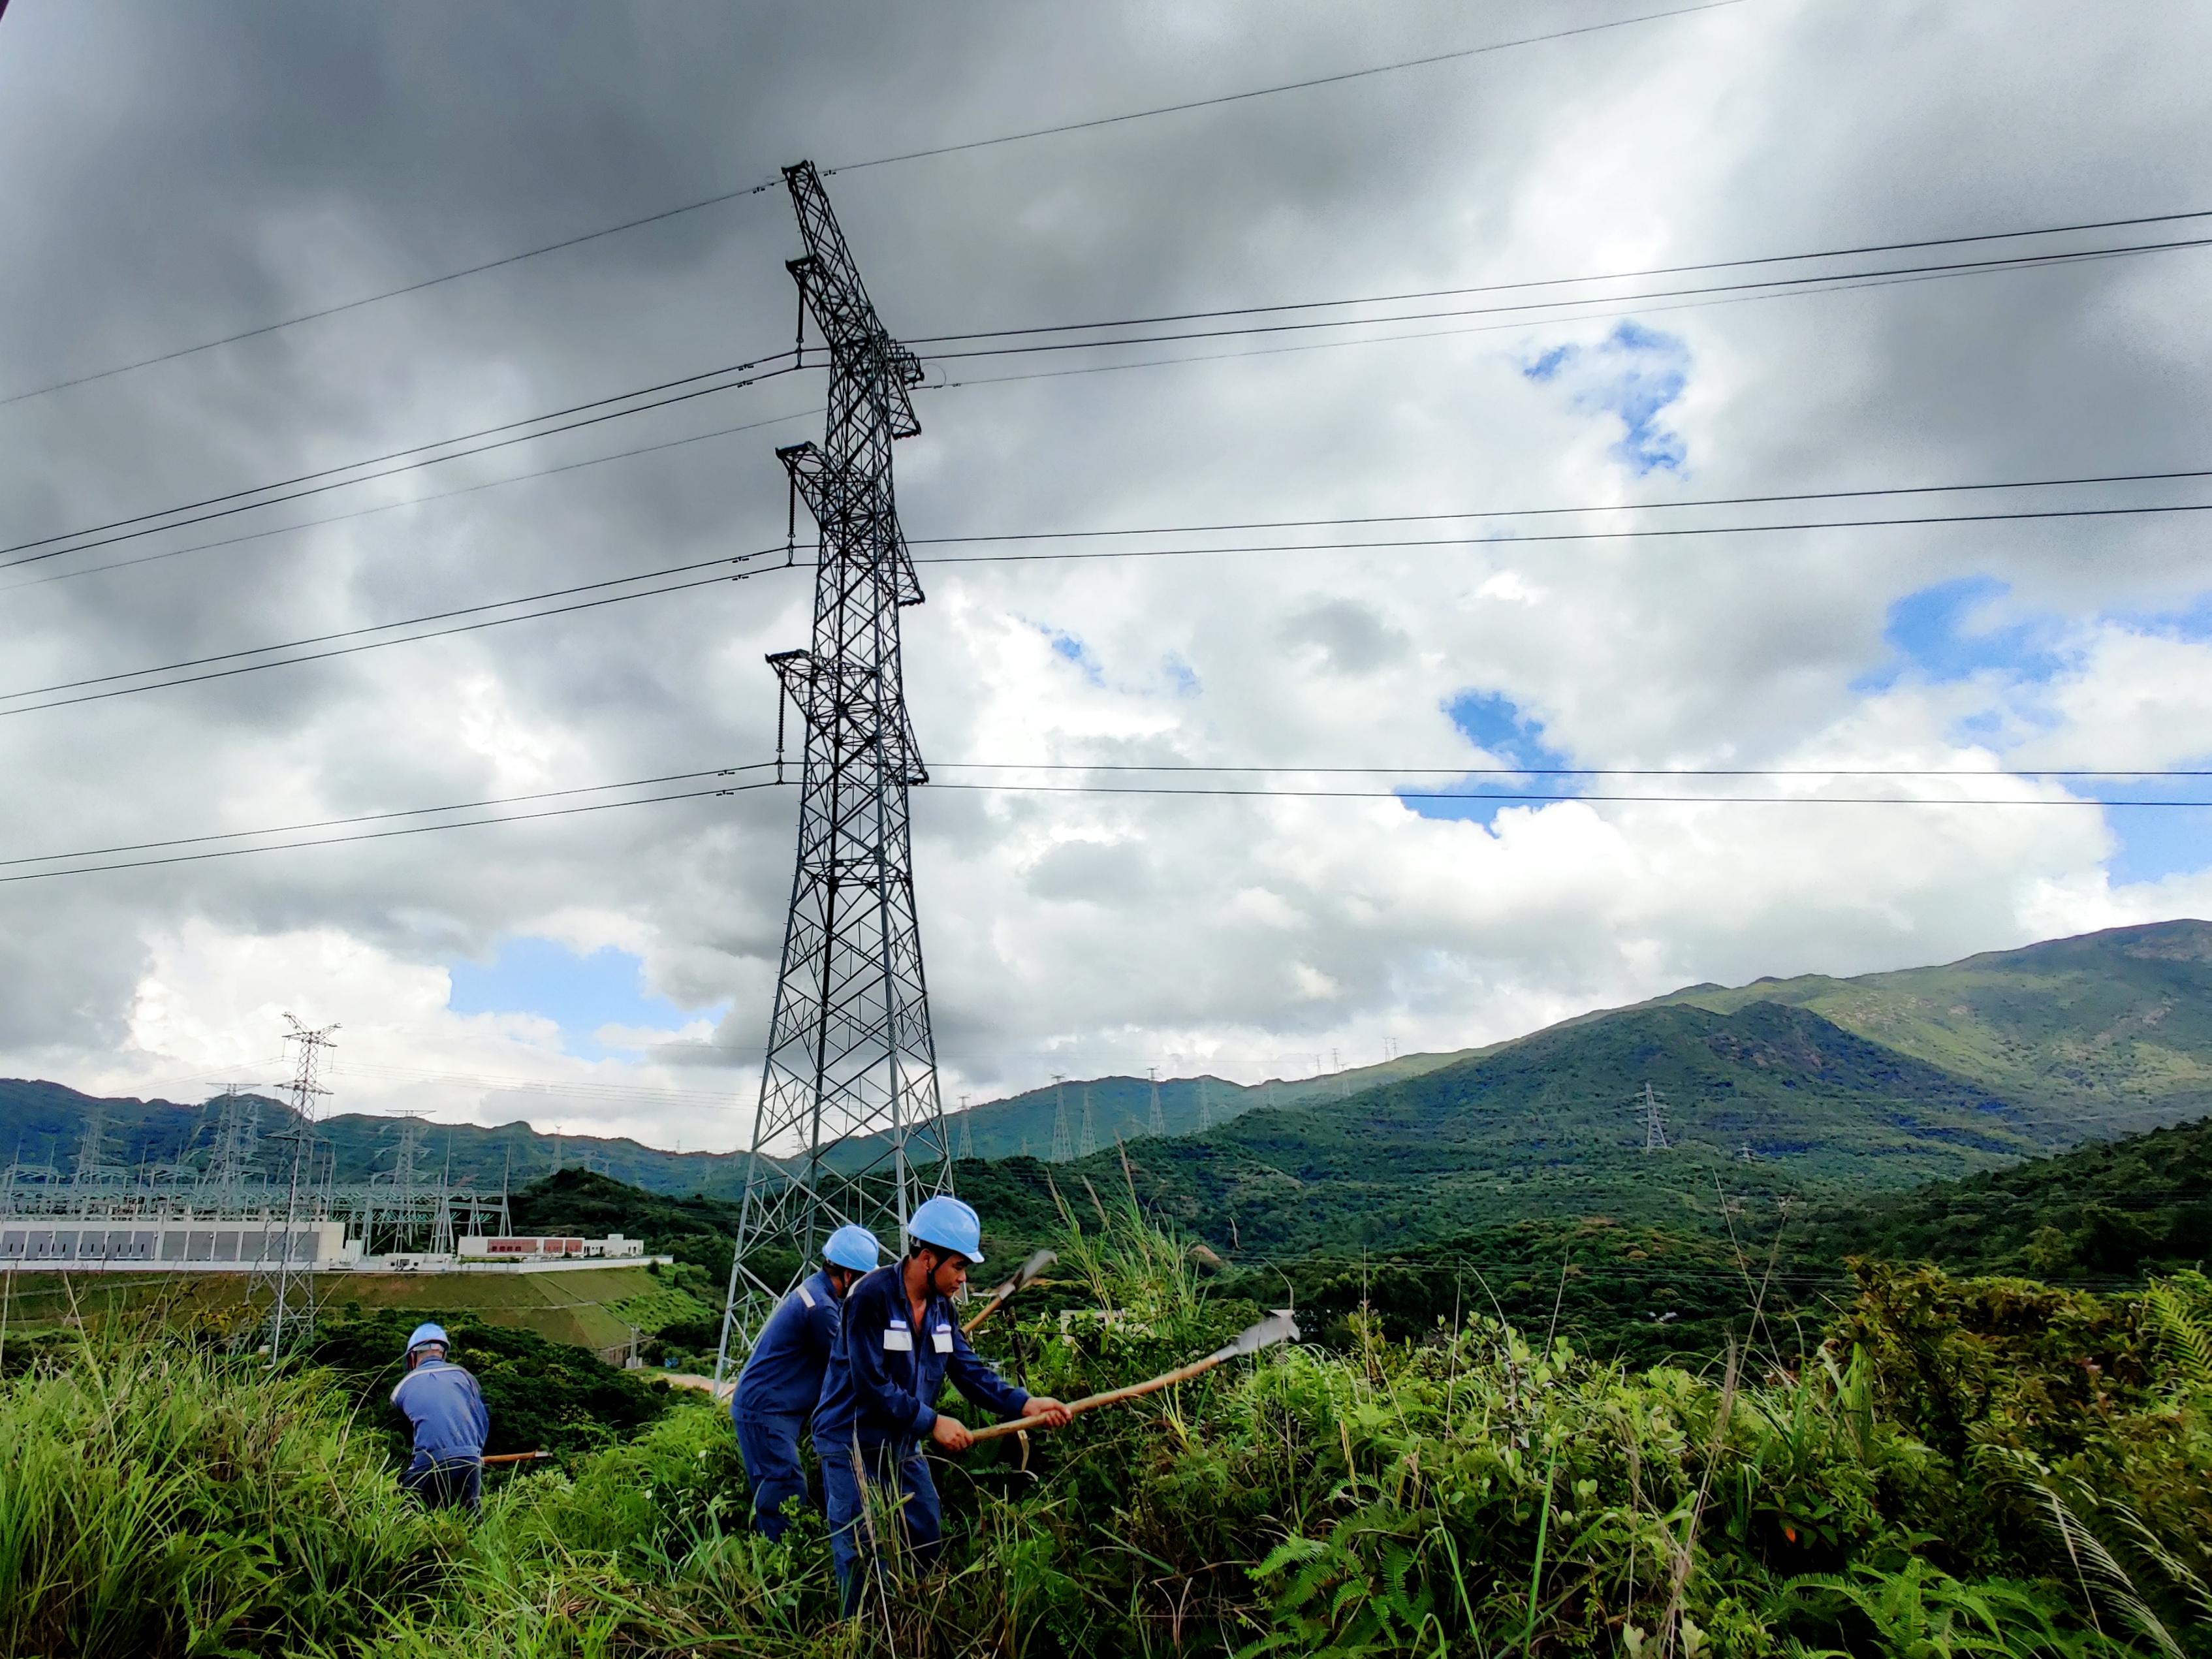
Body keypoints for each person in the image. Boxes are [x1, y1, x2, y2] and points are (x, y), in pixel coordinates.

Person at [812, 1195, 1072, 1612]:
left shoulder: (941, 1310)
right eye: (959, 1267)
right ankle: (857, 1634)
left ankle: (914, 1619)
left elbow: (969, 1371)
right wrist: (933, 1422)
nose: (963, 1279)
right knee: (861, 1547)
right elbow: (870, 1384)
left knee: (924, 1527)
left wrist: (1025, 1404)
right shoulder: (870, 1297)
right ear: (927, 1259)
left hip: (901, 1439)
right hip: (850, 1441)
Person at [729, 1222, 883, 1539]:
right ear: (849, 1276)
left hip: (776, 1408)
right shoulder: (821, 1309)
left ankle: (780, 1555)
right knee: (783, 1489)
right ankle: (778, 1568)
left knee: (785, 1485)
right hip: (767, 1410)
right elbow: (852, 1366)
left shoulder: (819, 1292)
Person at [390, 1321, 490, 1515]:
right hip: (470, 1458)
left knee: (406, 1514)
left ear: (413, 1356)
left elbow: (403, 1436)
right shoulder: (465, 1377)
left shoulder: (402, 1388)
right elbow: (482, 1421)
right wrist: (473, 1453)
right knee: (470, 1522)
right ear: (442, 1353)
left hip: (429, 1462)